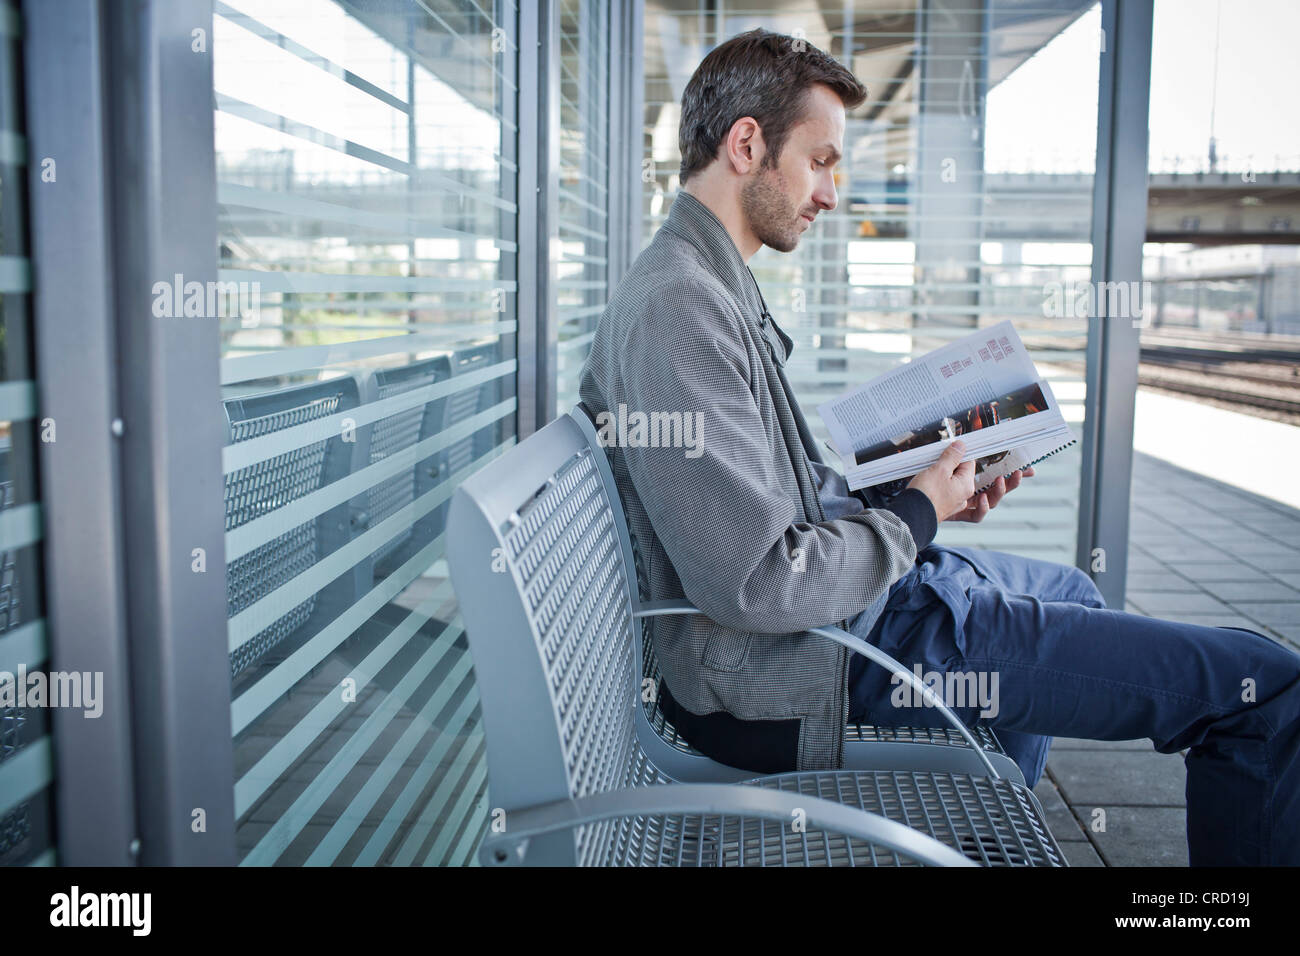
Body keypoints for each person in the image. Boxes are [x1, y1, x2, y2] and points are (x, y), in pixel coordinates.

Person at [577, 27, 1300, 866]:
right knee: (1262, 687)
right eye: (820, 161)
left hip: (853, 628)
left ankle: (987, 841)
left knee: (1073, 589)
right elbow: (759, 581)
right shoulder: (679, 309)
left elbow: (765, 521)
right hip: (815, 670)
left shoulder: (701, 289)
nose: (831, 193)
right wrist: (917, 515)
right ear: (747, 144)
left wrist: (913, 492)